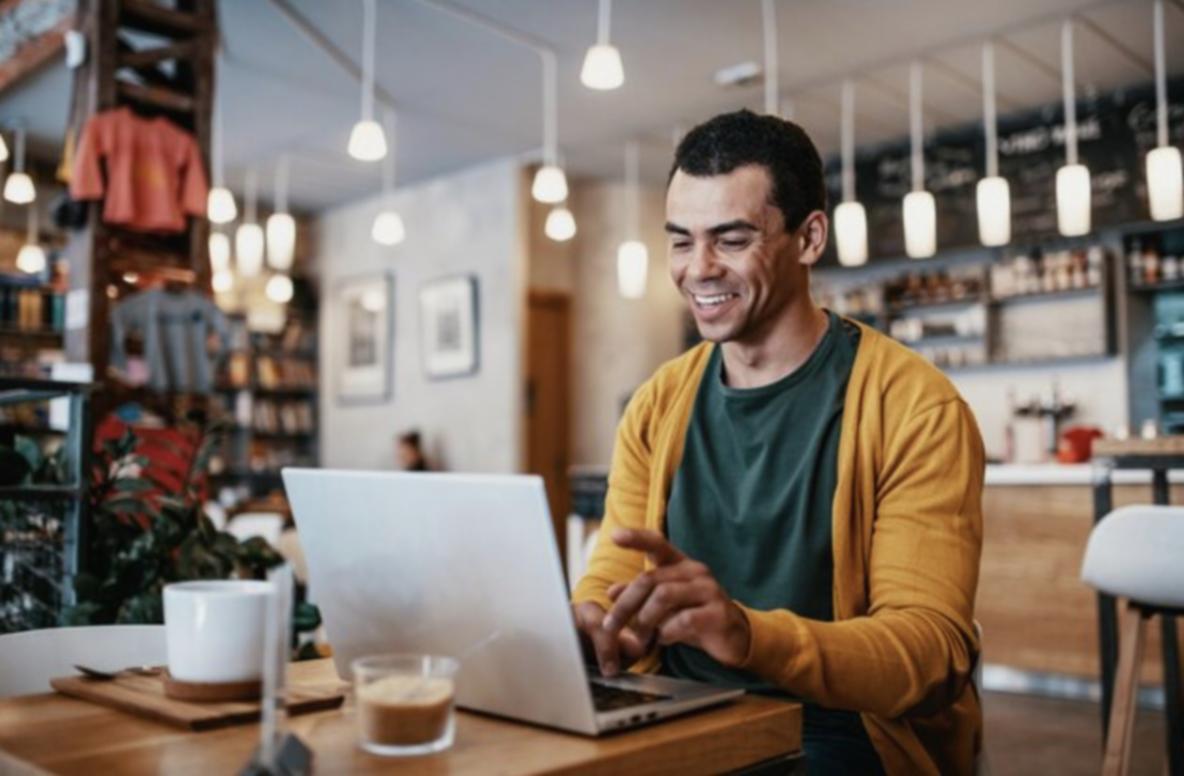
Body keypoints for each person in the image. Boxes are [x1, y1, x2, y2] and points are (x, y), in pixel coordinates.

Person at [571, 110, 985, 775]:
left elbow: (930, 652)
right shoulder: (657, 404)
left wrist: (749, 636)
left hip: (837, 732)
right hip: (672, 707)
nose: (698, 269)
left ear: (809, 237)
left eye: (730, 239)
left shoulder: (915, 405)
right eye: (681, 241)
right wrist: (588, 621)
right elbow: (614, 577)